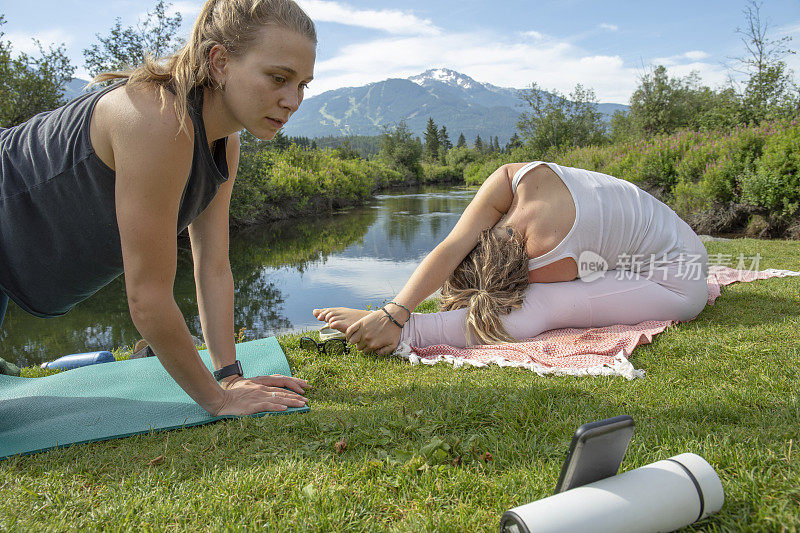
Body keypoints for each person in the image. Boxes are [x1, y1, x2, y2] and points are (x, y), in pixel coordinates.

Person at [0, 0, 315, 415]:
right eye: (279, 78)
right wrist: (218, 401)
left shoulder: (225, 140)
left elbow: (213, 266)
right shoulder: (157, 119)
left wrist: (229, 375)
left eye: (303, 85)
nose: (292, 100)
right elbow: (147, 297)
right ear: (219, 62)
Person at [314, 161, 709, 352]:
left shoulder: (549, 257)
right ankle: (400, 323)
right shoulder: (510, 180)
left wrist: (400, 324)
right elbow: (451, 248)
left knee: (544, 305)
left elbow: (511, 312)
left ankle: (413, 333)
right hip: (674, 242)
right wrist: (392, 310)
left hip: (676, 279)